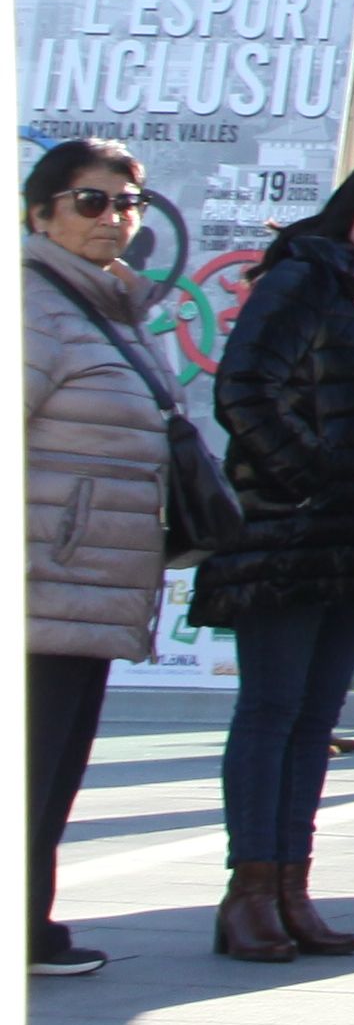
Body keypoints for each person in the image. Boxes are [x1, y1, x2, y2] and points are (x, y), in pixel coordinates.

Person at [196, 150, 354, 966]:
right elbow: (243, 390)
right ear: (349, 204)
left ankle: (290, 888)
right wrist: (313, 479)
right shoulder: (303, 277)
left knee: (313, 722)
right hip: (291, 534)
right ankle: (249, 891)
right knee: (272, 711)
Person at [27, 140, 169, 976]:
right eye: (91, 201)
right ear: (40, 212)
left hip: (86, 586)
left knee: (50, 776)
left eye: (127, 204)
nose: (113, 217)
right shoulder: (33, 306)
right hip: (40, 583)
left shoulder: (105, 307)